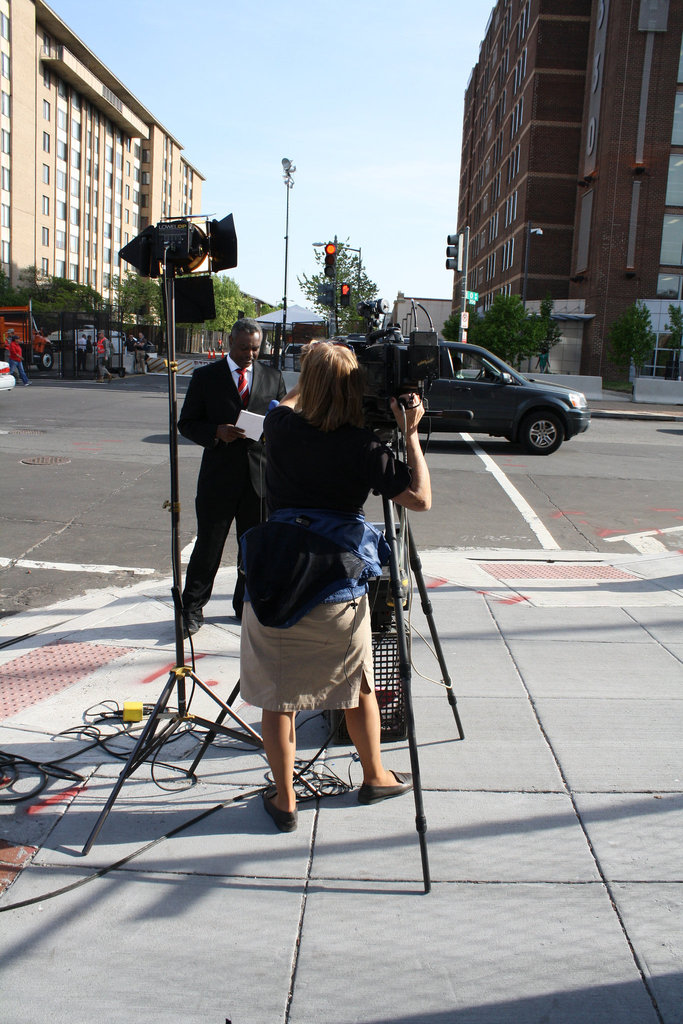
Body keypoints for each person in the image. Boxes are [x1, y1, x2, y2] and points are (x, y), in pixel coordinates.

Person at [239, 341, 432, 832]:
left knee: (277, 700)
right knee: (358, 687)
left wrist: (312, 373)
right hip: (336, 589)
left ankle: (285, 802)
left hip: (275, 582)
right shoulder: (363, 446)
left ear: (307, 383)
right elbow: (420, 500)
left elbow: (283, 403)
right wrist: (410, 436)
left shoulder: (280, 428)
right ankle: (375, 776)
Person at [178, 317, 286, 635]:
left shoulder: (272, 377)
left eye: (255, 349)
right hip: (219, 478)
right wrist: (216, 432)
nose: (250, 355)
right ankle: (192, 609)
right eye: (243, 348)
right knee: (208, 547)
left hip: (258, 480)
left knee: (252, 549)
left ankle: (245, 606)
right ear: (230, 343)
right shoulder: (206, 377)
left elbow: (280, 420)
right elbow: (187, 423)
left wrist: (271, 432)